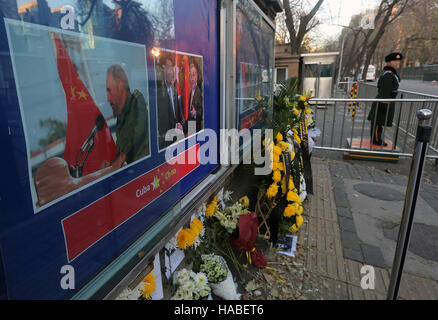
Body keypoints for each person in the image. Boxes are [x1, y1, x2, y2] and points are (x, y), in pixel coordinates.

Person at [106, 64, 149, 164]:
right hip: (127, 167)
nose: (108, 98)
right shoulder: (120, 114)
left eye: (110, 90)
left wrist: (122, 156)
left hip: (141, 165)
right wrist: (112, 164)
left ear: (120, 86)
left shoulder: (137, 100)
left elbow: (139, 131)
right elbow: (120, 144)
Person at [367, 52, 403, 146]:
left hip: (385, 101)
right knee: (378, 122)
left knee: (380, 122)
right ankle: (376, 139)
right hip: (384, 102)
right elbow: (385, 91)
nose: (397, 63)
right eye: (394, 61)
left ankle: (377, 138)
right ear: (388, 62)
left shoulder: (390, 74)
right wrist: (384, 104)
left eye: (398, 61)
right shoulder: (388, 75)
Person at [157, 56, 184, 148]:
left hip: (176, 136)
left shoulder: (174, 90)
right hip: (166, 139)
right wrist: (176, 126)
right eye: (167, 67)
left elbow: (176, 114)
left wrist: (180, 124)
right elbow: (163, 119)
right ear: (162, 70)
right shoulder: (159, 92)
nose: (170, 71)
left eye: (171, 68)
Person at [178, 62, 203, 135]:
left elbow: (202, 113)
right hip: (191, 131)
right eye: (190, 76)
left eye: (194, 75)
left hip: (198, 133)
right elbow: (190, 117)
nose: (192, 78)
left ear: (197, 77)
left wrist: (196, 113)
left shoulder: (200, 93)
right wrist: (183, 127)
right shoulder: (190, 93)